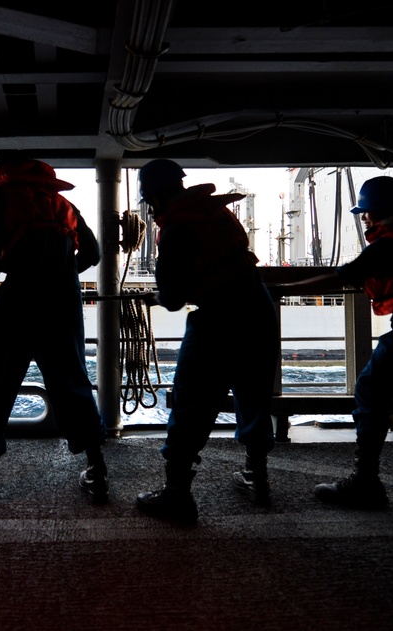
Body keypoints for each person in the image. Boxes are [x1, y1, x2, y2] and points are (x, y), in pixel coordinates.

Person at [0, 156, 107, 521]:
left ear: (2, 175)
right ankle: (99, 474)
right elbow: (92, 253)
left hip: (18, 301)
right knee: (73, 382)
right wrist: (62, 274)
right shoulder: (65, 204)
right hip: (63, 304)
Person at [282, 176, 393, 509]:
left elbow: (343, 275)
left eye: (365, 211)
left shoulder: (391, 243)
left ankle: (366, 483)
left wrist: (284, 290)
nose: (363, 217)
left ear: (374, 212)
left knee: (369, 389)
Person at [134, 159, 280, 525]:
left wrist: (155, 295)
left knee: (192, 403)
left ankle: (177, 494)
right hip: (258, 309)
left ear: (151, 198)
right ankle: (256, 478)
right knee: (254, 396)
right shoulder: (215, 215)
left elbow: (170, 298)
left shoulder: (176, 228)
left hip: (218, 319)